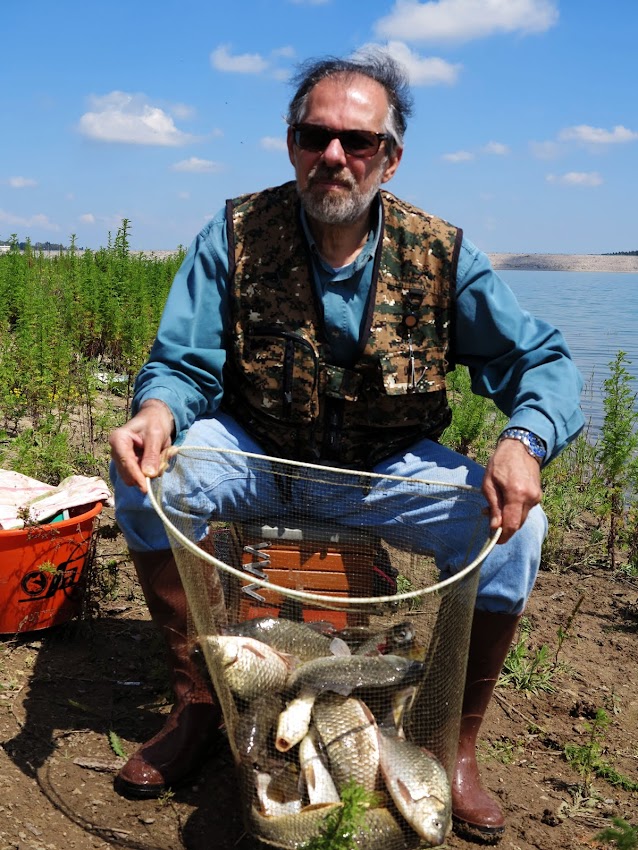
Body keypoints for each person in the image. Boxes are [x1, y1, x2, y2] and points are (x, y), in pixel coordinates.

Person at [109, 52, 583, 841]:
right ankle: (197, 705)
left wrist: (524, 442)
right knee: (148, 480)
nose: (335, 156)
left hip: (387, 472)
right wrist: (157, 408)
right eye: (315, 135)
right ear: (291, 143)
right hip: (257, 455)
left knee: (517, 530)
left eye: (358, 142)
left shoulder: (443, 255)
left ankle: (454, 749)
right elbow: (180, 361)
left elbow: (542, 363)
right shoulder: (232, 236)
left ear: (390, 158)